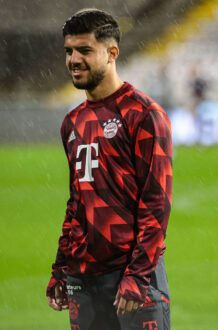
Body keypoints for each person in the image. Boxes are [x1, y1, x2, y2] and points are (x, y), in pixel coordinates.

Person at [46, 8, 172, 330]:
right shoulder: (72, 123)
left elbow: (156, 204)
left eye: (85, 50)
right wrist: (60, 268)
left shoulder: (143, 114)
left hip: (131, 278)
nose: (74, 60)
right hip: (82, 280)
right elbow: (77, 202)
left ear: (112, 52)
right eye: (69, 51)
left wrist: (138, 275)